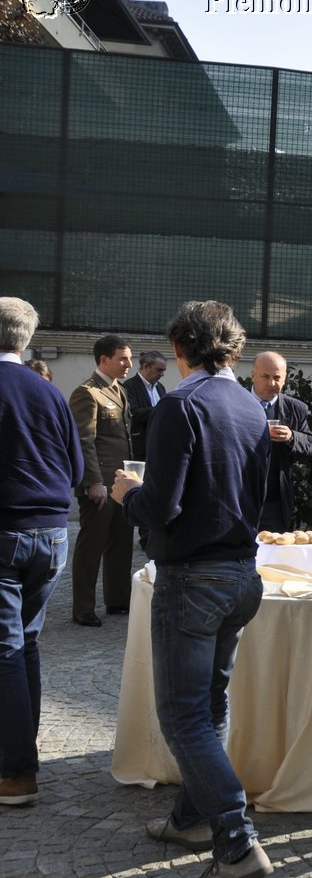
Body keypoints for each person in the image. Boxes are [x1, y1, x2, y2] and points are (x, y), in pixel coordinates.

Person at [113, 301, 274, 878]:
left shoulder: (182, 405)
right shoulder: (251, 407)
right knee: (208, 703)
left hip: (195, 577)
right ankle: (191, 816)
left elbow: (162, 506)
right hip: (241, 572)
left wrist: (129, 492)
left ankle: (234, 841)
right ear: (231, 350)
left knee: (184, 714)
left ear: (181, 347)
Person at [0, 298, 81, 807]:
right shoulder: (48, 392)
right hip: (50, 533)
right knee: (24, 643)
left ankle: (16, 772)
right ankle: (20, 752)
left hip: (6, 530)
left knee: (7, 648)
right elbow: (74, 469)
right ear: (25, 339)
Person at [68, 334, 134, 627]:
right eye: (122, 358)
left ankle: (118, 599)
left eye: (129, 358)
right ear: (104, 360)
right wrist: (93, 481)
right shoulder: (87, 393)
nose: (128, 364)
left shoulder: (119, 390)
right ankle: (83, 607)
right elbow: (84, 441)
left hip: (122, 481)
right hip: (100, 484)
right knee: (91, 545)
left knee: (121, 543)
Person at [250, 351, 312, 532]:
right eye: (265, 377)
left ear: (285, 378)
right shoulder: (236, 402)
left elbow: (311, 445)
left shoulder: (295, 408)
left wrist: (292, 437)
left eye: (277, 378)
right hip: (240, 497)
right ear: (253, 375)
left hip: (274, 502)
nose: (271, 383)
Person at [122, 350, 167, 460]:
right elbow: (133, 413)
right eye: (159, 370)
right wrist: (161, 409)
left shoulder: (160, 387)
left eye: (163, 370)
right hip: (141, 448)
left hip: (159, 446)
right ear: (146, 366)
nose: (162, 374)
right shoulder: (129, 386)